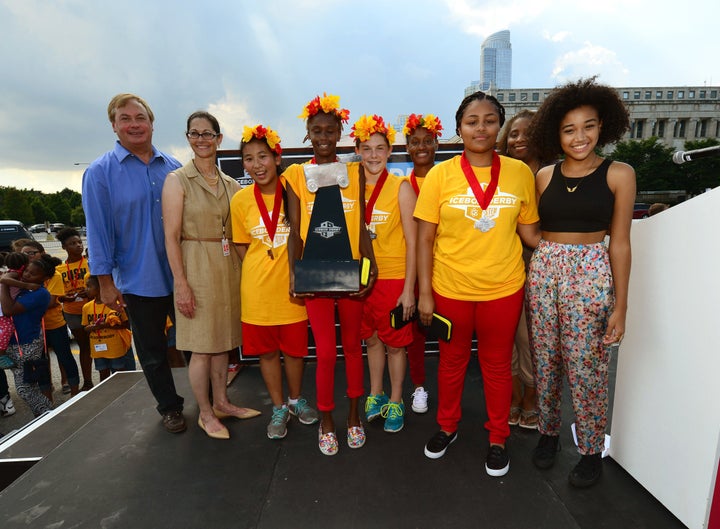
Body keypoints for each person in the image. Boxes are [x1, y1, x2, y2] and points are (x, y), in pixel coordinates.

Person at [414, 91, 540, 477]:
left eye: (488, 120)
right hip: (450, 288)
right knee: (451, 363)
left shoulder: (519, 174)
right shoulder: (441, 174)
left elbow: (531, 233)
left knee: (498, 366)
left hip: (503, 289)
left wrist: (582, 238)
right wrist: (423, 292)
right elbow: (424, 238)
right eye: (472, 121)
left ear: (498, 125)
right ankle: (447, 426)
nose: (480, 127)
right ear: (459, 128)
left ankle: (498, 437)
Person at [525, 77, 635, 488]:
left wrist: (620, 306)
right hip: (545, 268)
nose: (580, 136)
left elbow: (620, 244)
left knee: (588, 367)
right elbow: (531, 229)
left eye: (588, 126)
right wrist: (547, 254)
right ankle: (548, 434)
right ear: (557, 132)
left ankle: (590, 449)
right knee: (546, 360)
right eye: (570, 129)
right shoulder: (543, 176)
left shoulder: (619, 174)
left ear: (602, 126)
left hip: (591, 270)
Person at [82, 93, 186, 434]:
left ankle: (211, 398)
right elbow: (98, 231)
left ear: (152, 123)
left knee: (196, 344)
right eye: (125, 118)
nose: (134, 124)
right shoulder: (100, 173)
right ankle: (170, 407)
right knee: (153, 351)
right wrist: (104, 282)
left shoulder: (173, 167)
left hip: (183, 275)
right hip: (138, 278)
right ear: (114, 126)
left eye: (140, 117)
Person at [284, 93, 377, 455]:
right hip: (315, 278)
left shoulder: (355, 173)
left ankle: (353, 416)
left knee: (353, 349)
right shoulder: (294, 174)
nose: (323, 136)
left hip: (350, 273)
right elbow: (294, 231)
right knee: (324, 352)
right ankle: (326, 420)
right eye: (316, 130)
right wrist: (295, 274)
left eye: (330, 130)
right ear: (307, 133)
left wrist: (371, 268)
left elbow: (361, 227)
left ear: (340, 133)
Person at [162, 110, 259, 440]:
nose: (201, 139)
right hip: (196, 266)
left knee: (223, 342)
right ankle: (205, 412)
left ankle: (222, 402)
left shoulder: (232, 184)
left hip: (228, 267)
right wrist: (181, 284)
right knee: (201, 347)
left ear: (219, 139)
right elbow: (170, 237)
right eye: (194, 133)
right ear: (188, 138)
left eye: (208, 134)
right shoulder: (177, 181)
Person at [231, 124, 319, 440]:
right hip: (256, 294)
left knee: (295, 352)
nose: (257, 165)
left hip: (293, 292)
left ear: (276, 157)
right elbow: (242, 247)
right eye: (249, 158)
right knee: (267, 354)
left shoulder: (294, 189)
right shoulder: (241, 201)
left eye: (263, 156)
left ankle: (296, 401)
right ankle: (279, 407)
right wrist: (262, 270)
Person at [351, 115, 416, 433]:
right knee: (372, 340)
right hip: (361, 279)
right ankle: (375, 394)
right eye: (367, 148)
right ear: (358, 151)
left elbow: (414, 243)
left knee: (395, 345)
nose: (373, 155)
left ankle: (396, 399)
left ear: (390, 151)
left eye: (380, 148)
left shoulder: (401, 188)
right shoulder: (350, 188)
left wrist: (409, 289)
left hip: (392, 279)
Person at [497, 109, 543, 429]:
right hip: (504, 265)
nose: (519, 139)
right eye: (513, 134)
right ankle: (513, 397)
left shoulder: (551, 175)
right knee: (507, 338)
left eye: (527, 132)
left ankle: (530, 397)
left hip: (539, 264)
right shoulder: (502, 173)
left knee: (530, 339)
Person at [402, 113, 443, 415]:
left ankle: (449, 387)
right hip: (416, 270)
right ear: (407, 147)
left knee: (447, 332)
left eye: (427, 141)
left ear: (437, 143)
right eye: (415, 142)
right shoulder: (401, 185)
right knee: (415, 334)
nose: (421, 147)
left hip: (447, 268)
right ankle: (419, 386)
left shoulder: (449, 179)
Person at [18, 240, 81, 398]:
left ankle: (75, 394)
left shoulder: (53, 274)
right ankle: (47, 399)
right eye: (25, 253)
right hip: (33, 328)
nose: (29, 256)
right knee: (40, 363)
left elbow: (51, 302)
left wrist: (25, 306)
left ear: (42, 253)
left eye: (32, 252)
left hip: (54, 324)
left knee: (65, 357)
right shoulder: (21, 274)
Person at [0, 255, 61, 416]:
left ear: (45, 278)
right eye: (26, 271)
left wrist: (3, 284)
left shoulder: (40, 293)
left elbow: (8, 310)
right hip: (15, 343)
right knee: (29, 386)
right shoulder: (23, 288)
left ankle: (48, 414)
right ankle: (43, 414)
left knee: (24, 388)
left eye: (33, 274)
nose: (27, 275)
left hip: (26, 345)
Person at [56, 228, 93, 391]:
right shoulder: (59, 270)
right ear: (64, 247)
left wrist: (90, 292)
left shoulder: (89, 263)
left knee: (99, 342)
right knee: (84, 346)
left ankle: (108, 376)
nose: (78, 246)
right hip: (72, 312)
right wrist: (63, 297)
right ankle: (88, 381)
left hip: (92, 309)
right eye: (72, 243)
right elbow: (56, 293)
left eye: (79, 242)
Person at [82, 275, 135, 381]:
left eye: (89, 286)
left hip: (115, 348)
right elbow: (85, 327)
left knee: (120, 373)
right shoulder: (86, 307)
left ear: (99, 288)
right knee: (103, 374)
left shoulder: (114, 304)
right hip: (98, 349)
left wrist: (106, 325)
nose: (86, 289)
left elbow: (126, 324)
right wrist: (93, 327)